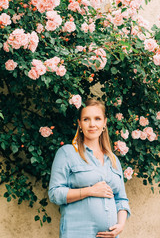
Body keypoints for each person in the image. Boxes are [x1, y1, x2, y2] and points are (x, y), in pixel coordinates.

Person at [48, 98, 130, 238]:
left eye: (97, 119)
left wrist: (121, 225)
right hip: (76, 233)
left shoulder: (113, 160)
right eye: (86, 119)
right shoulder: (67, 153)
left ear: (104, 122)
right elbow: (55, 194)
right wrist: (90, 191)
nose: (92, 124)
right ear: (80, 123)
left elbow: (121, 199)